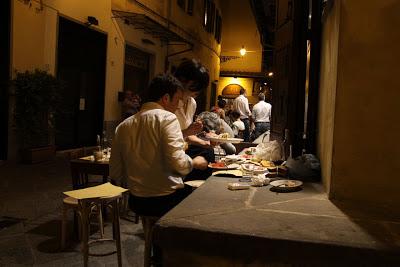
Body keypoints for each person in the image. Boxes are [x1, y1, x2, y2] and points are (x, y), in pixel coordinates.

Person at [110, 74, 208, 218]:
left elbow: (116, 172)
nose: (179, 106)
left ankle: (151, 236)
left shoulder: (123, 126)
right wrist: (194, 162)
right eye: (177, 100)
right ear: (166, 98)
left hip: (136, 200)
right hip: (166, 199)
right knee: (203, 193)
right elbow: (178, 165)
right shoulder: (167, 118)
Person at [173, 59, 215, 179]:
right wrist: (187, 132)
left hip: (183, 146)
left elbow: (188, 135)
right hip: (171, 150)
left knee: (209, 151)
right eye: (195, 86)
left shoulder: (192, 103)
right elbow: (166, 139)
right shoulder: (171, 103)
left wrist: (204, 142)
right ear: (181, 80)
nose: (197, 91)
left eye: (200, 88)